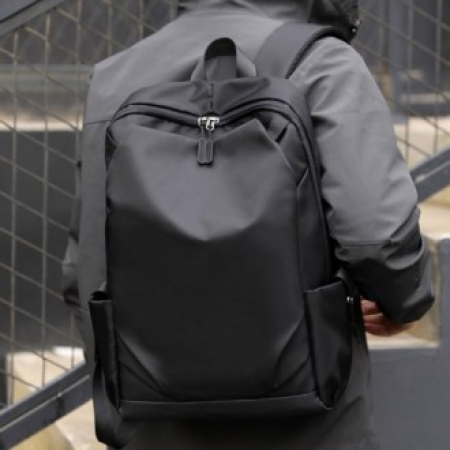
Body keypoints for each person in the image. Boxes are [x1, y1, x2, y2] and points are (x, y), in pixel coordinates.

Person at [62, 1, 434, 449]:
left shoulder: (114, 76)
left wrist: (126, 394)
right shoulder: (322, 62)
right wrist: (403, 300)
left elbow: (86, 266)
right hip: (305, 418)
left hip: (154, 419)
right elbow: (378, 237)